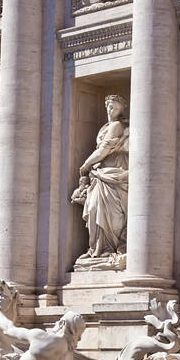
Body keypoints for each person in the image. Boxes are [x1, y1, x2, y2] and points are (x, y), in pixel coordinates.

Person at [71, 95, 129, 262]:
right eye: (110, 107)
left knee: (111, 213)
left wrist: (86, 164)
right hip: (101, 173)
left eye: (115, 108)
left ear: (121, 110)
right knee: (95, 208)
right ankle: (98, 248)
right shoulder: (105, 126)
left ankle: (108, 248)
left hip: (114, 172)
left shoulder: (117, 126)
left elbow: (103, 150)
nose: (111, 111)